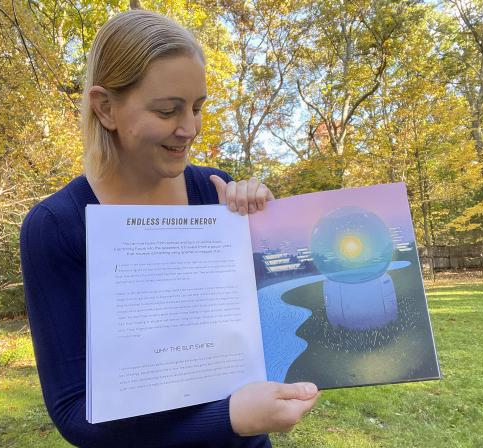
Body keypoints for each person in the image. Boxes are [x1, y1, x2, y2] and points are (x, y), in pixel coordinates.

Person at [20, 9, 319, 448]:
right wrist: (229, 417)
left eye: (197, 107)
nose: (190, 128)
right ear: (105, 107)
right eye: (167, 110)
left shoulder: (216, 193)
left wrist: (267, 232)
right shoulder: (57, 226)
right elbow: (73, 412)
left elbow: (274, 324)